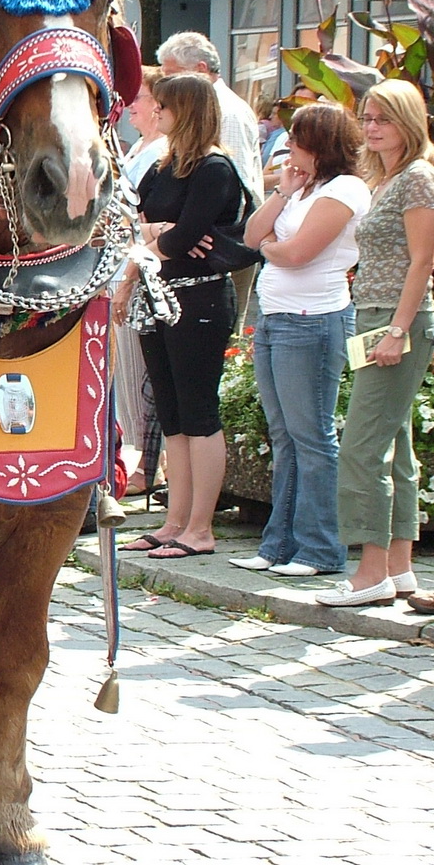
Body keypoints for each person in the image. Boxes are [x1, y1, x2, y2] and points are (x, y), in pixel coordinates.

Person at [226, 103, 369, 578]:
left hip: (312, 321)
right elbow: (251, 235)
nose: (290, 148)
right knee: (284, 436)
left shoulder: (345, 188)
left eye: (298, 140)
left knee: (312, 437)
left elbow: (295, 252)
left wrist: (270, 247)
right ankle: (279, 543)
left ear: (320, 144)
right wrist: (284, 193)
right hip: (277, 318)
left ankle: (321, 548)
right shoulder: (304, 186)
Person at [312, 80, 434, 606]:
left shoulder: (417, 179)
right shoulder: (385, 179)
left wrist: (398, 329)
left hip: (395, 319)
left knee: (362, 447)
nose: (372, 127)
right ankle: (399, 568)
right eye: (366, 117)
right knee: (394, 448)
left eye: (383, 118)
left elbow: (423, 261)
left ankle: (369, 575)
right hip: (373, 315)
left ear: (408, 121)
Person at [113, 73, 242, 559]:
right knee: (170, 412)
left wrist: (156, 235)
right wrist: (153, 237)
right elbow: (129, 223)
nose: (156, 111)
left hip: (199, 299)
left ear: (184, 110)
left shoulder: (214, 169)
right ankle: (175, 520)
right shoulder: (161, 166)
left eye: (164, 105)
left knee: (198, 411)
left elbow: (184, 236)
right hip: (156, 292)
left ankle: (200, 528)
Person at [159, 32, 263, 322]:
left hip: (216, 252)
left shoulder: (226, 113)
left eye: (171, 75)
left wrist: (191, 229)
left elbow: (233, 183)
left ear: (201, 70)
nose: (164, 85)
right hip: (185, 250)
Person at [112, 65, 167, 491]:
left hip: (141, 270)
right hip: (119, 265)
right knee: (127, 376)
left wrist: (140, 232)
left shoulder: (159, 151)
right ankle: (140, 459)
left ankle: (148, 465)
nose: (132, 106)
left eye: (140, 98)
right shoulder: (138, 148)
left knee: (139, 376)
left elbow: (146, 220)